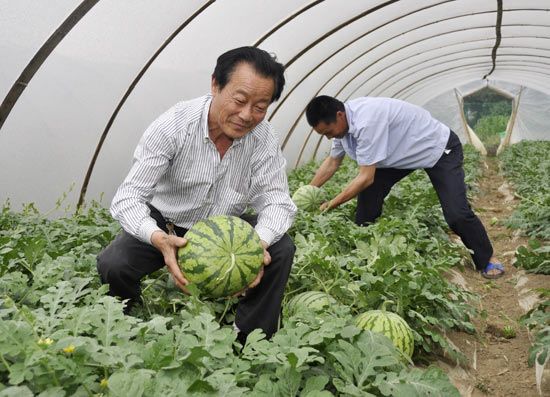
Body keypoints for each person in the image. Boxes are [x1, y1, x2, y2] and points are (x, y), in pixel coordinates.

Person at [97, 47, 297, 344]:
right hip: (168, 225)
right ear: (216, 84)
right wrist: (159, 239)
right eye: (240, 100)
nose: (246, 115)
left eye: (260, 106)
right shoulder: (174, 126)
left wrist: (257, 247)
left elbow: (278, 201)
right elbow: (128, 197)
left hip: (225, 231)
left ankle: (251, 339)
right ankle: (125, 320)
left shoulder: (263, 138)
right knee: (114, 263)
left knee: (281, 250)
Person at [304, 95, 504, 279]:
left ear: (339, 115)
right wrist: (307, 192)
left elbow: (365, 177)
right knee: (366, 206)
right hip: (398, 157)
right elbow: (332, 162)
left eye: (328, 132)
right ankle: (365, 254)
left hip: (437, 149)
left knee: (456, 214)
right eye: (324, 135)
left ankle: (487, 259)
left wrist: (331, 204)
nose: (329, 137)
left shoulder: (367, 120)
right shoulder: (342, 129)